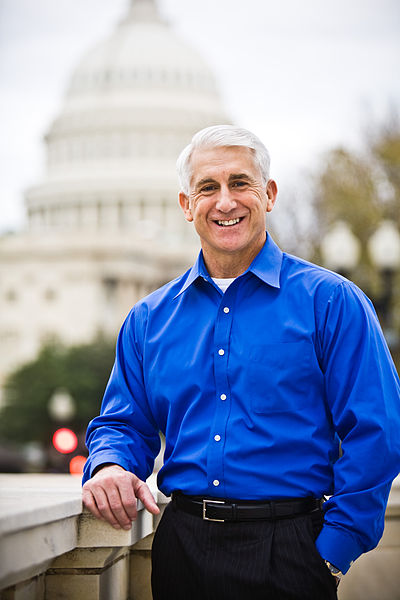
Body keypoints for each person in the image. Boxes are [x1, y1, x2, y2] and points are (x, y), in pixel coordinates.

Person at [82, 125, 400, 600]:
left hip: (293, 550)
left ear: (268, 194)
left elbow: (377, 432)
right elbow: (123, 422)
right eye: (207, 188)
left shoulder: (332, 302)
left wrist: (331, 554)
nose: (225, 201)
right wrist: (109, 465)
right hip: (181, 547)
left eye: (240, 183)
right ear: (187, 205)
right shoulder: (148, 320)